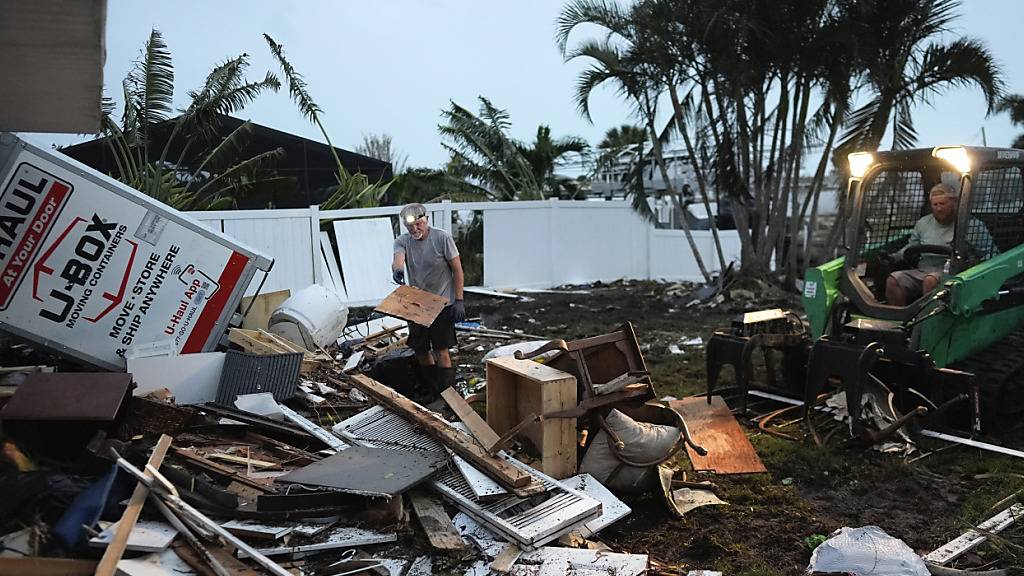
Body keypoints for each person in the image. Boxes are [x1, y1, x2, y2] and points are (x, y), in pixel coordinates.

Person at [391, 203, 465, 398]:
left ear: (426, 219)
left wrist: (459, 299)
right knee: (421, 350)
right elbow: (398, 259)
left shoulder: (442, 238)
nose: (415, 229)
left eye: (419, 224)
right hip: (418, 304)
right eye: (410, 227)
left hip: (442, 303)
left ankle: (448, 392)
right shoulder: (402, 241)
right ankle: (433, 390)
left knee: (441, 350)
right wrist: (397, 270)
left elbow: (457, 269)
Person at [885, 183, 996, 305]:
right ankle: (900, 318)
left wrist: (976, 265)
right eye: (935, 204)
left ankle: (928, 321)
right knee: (894, 280)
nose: (938, 209)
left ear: (954, 203)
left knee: (930, 281)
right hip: (923, 271)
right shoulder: (923, 223)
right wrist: (893, 257)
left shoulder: (971, 226)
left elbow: (991, 254)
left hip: (953, 274)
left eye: (943, 204)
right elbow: (910, 247)